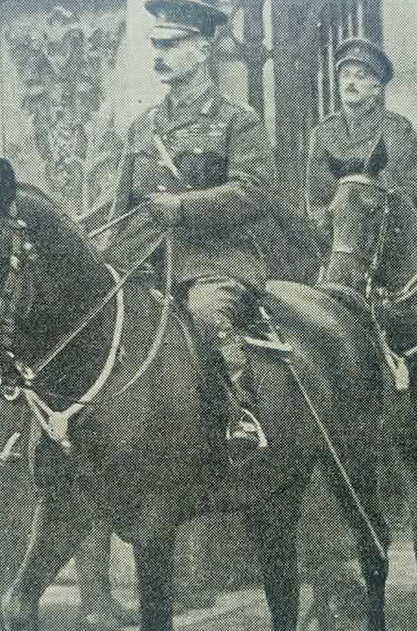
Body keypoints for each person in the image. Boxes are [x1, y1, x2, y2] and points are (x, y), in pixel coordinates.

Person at [107, 0, 277, 462]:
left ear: (202, 50)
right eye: (156, 44)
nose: (160, 54)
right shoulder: (144, 126)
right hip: (149, 263)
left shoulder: (237, 120)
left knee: (206, 314)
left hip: (216, 262)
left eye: (173, 44)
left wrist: (182, 206)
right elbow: (123, 205)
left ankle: (242, 414)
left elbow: (255, 193)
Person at [307, 35, 417, 287]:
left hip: (384, 246)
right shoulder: (323, 132)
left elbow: (415, 193)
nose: (351, 83)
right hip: (338, 245)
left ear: (377, 87)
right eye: (345, 75)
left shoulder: (397, 130)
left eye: (361, 76)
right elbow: (317, 201)